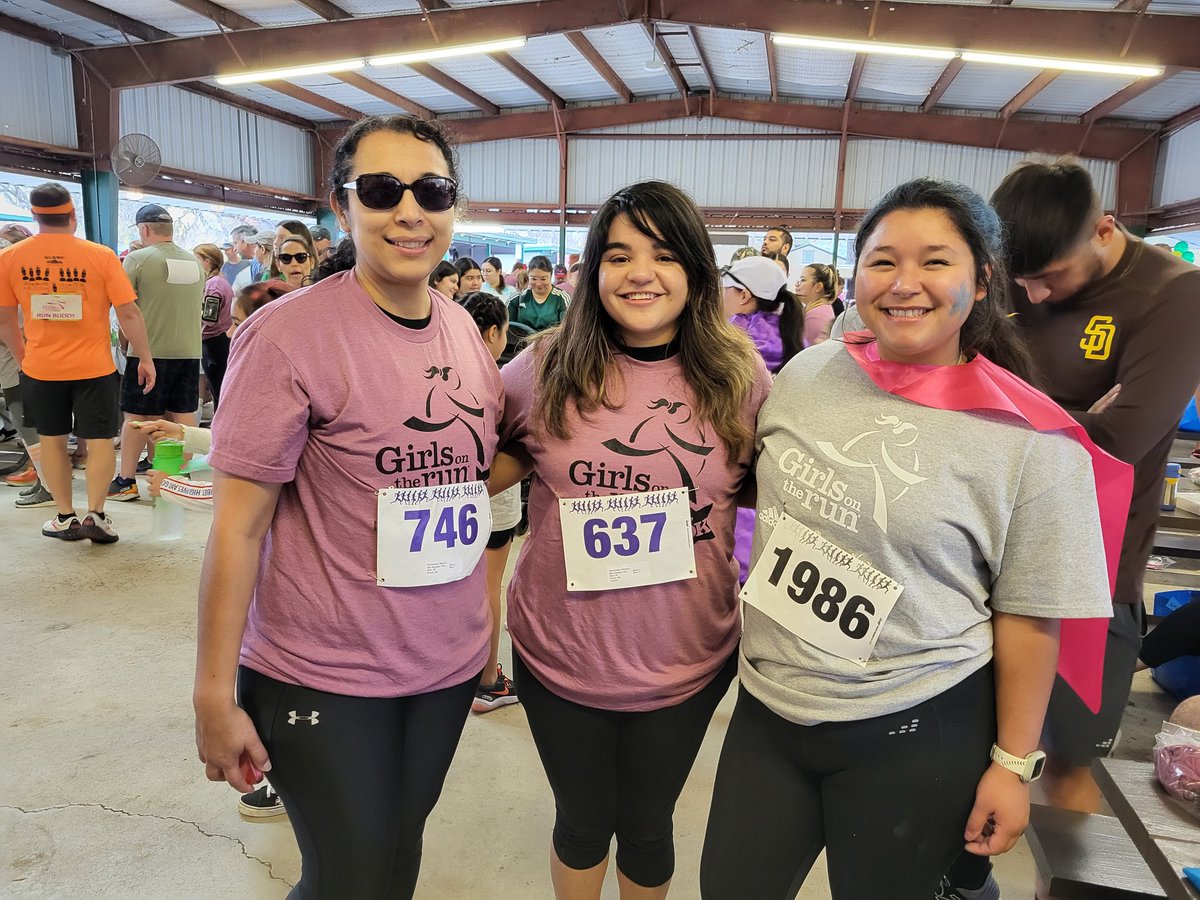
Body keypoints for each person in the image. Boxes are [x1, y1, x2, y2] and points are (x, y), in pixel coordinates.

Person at [700, 178, 1129, 900]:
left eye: (935, 262)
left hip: (912, 724)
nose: (905, 285)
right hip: (769, 709)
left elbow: (1030, 617)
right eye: (882, 261)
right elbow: (750, 484)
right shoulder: (806, 374)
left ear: (983, 278)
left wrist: (1013, 764)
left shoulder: (1032, 442)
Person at [194, 114, 502, 898]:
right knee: (351, 878)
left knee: (398, 858)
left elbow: (467, 472)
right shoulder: (288, 337)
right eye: (381, 190)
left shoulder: (465, 330)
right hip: (322, 672)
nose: (409, 210)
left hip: (443, 663)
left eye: (431, 191)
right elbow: (238, 526)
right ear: (343, 207)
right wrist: (211, 694)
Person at [492, 180, 771, 900]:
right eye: (618, 255)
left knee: (648, 825)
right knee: (582, 821)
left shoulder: (740, 377)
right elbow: (467, 460)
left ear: (696, 272)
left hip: (686, 657)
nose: (640, 273)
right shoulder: (544, 365)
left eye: (664, 254)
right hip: (560, 653)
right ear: (593, 271)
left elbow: (783, 492)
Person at [0, 182, 156, 543]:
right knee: (100, 441)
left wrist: (26, 359)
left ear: (36, 217)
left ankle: (64, 516)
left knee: (52, 442)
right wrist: (144, 357)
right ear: (72, 216)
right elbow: (128, 312)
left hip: (41, 370)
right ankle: (97, 516)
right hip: (95, 368)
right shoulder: (99, 256)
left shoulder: (10, 258)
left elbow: (6, 320)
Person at [108, 204, 205, 503]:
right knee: (183, 414)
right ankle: (180, 477)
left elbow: (125, 309)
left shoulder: (137, 259)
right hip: (189, 351)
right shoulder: (195, 261)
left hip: (148, 353)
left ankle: (125, 482)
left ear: (144, 229)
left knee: (136, 416)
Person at [459, 291, 522, 713]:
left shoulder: (445, 371)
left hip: (446, 500)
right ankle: (487, 680)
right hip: (494, 500)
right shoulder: (504, 378)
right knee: (489, 588)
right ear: (496, 332)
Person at [721, 255, 804, 374]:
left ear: (744, 296)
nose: (721, 295)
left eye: (725, 289)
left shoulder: (736, 337)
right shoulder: (786, 329)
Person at [193, 244, 233, 409]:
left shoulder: (213, 285)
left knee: (218, 389)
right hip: (218, 341)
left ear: (207, 261)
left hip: (214, 343)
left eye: (197, 259)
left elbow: (209, 317)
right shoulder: (220, 281)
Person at [508, 254, 568, 332]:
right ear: (528, 276)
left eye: (543, 279)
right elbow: (508, 328)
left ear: (551, 276)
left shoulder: (561, 299)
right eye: (534, 279)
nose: (538, 284)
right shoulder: (516, 299)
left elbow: (567, 330)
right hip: (521, 343)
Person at [795, 263, 839, 347]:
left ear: (818, 287)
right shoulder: (820, 309)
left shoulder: (815, 315)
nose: (797, 285)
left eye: (803, 280)